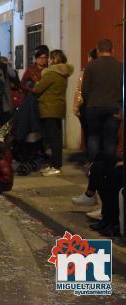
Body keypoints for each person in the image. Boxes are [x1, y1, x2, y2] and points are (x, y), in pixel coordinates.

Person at [72, 39, 122, 207]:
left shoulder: (92, 66)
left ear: (98, 50)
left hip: (94, 107)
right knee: (110, 144)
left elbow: (85, 89)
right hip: (113, 109)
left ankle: (94, 166)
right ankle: (108, 168)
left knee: (93, 139)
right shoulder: (120, 66)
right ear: (112, 49)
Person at [32, 49, 74, 176]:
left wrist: (37, 83)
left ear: (54, 59)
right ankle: (55, 164)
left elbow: (38, 89)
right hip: (58, 107)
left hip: (49, 108)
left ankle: (55, 166)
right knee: (56, 137)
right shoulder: (63, 73)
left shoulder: (51, 73)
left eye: (50, 58)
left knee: (53, 138)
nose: (48, 61)